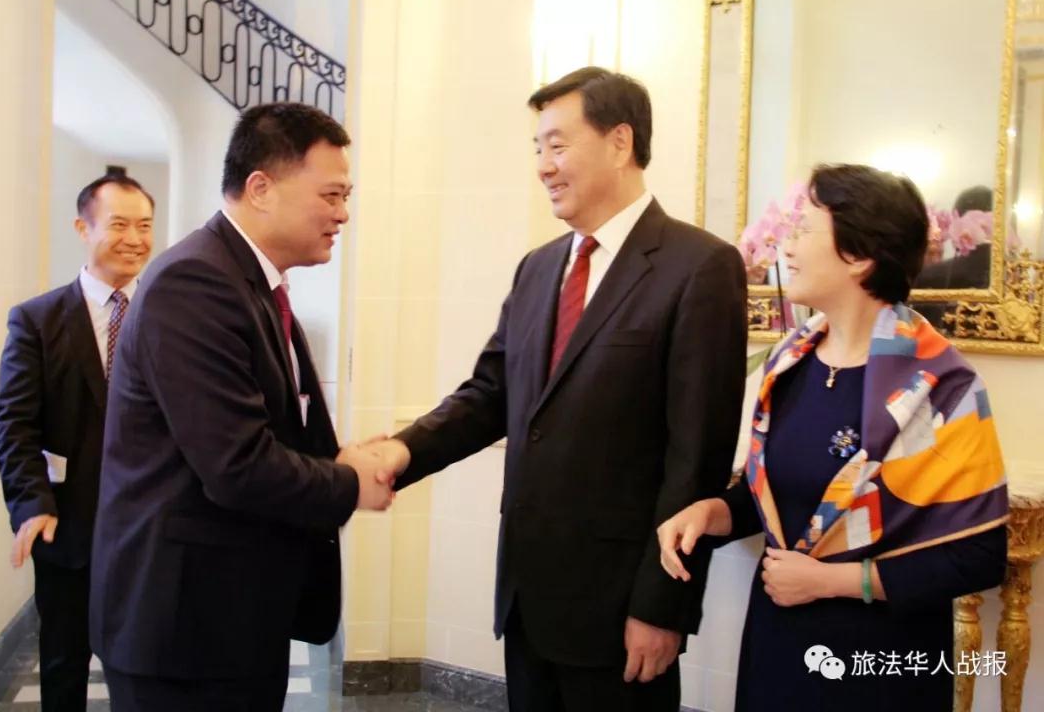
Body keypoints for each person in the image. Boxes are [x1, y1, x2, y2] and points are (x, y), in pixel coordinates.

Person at [362, 67, 747, 711]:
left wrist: (663, 606)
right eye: (537, 148)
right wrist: (401, 453)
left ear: (620, 142)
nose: (543, 166)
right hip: (529, 596)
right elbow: (489, 395)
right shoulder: (539, 268)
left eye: (558, 145)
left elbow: (696, 455)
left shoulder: (698, 267)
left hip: (619, 607)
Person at [657, 164, 1009, 711]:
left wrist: (831, 582)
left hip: (881, 664)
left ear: (859, 255)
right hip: (779, 646)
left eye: (803, 229)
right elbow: (775, 499)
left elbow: (978, 556)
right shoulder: (790, 363)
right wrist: (711, 513)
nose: (787, 245)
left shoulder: (937, 386)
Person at [88, 103, 399, 712]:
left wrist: (340, 457)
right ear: (261, 188)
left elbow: (277, 425)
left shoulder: (252, 282)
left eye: (346, 196)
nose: (343, 213)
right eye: (331, 194)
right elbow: (236, 464)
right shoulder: (195, 283)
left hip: (232, 616)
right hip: (184, 631)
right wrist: (349, 483)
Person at [0, 173, 155, 712]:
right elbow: (14, 423)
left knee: (149, 667)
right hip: (69, 527)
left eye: (145, 226)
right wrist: (31, 503)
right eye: (119, 224)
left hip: (151, 533)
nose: (135, 238)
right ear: (82, 228)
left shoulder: (168, 316)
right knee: (64, 666)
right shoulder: (37, 320)